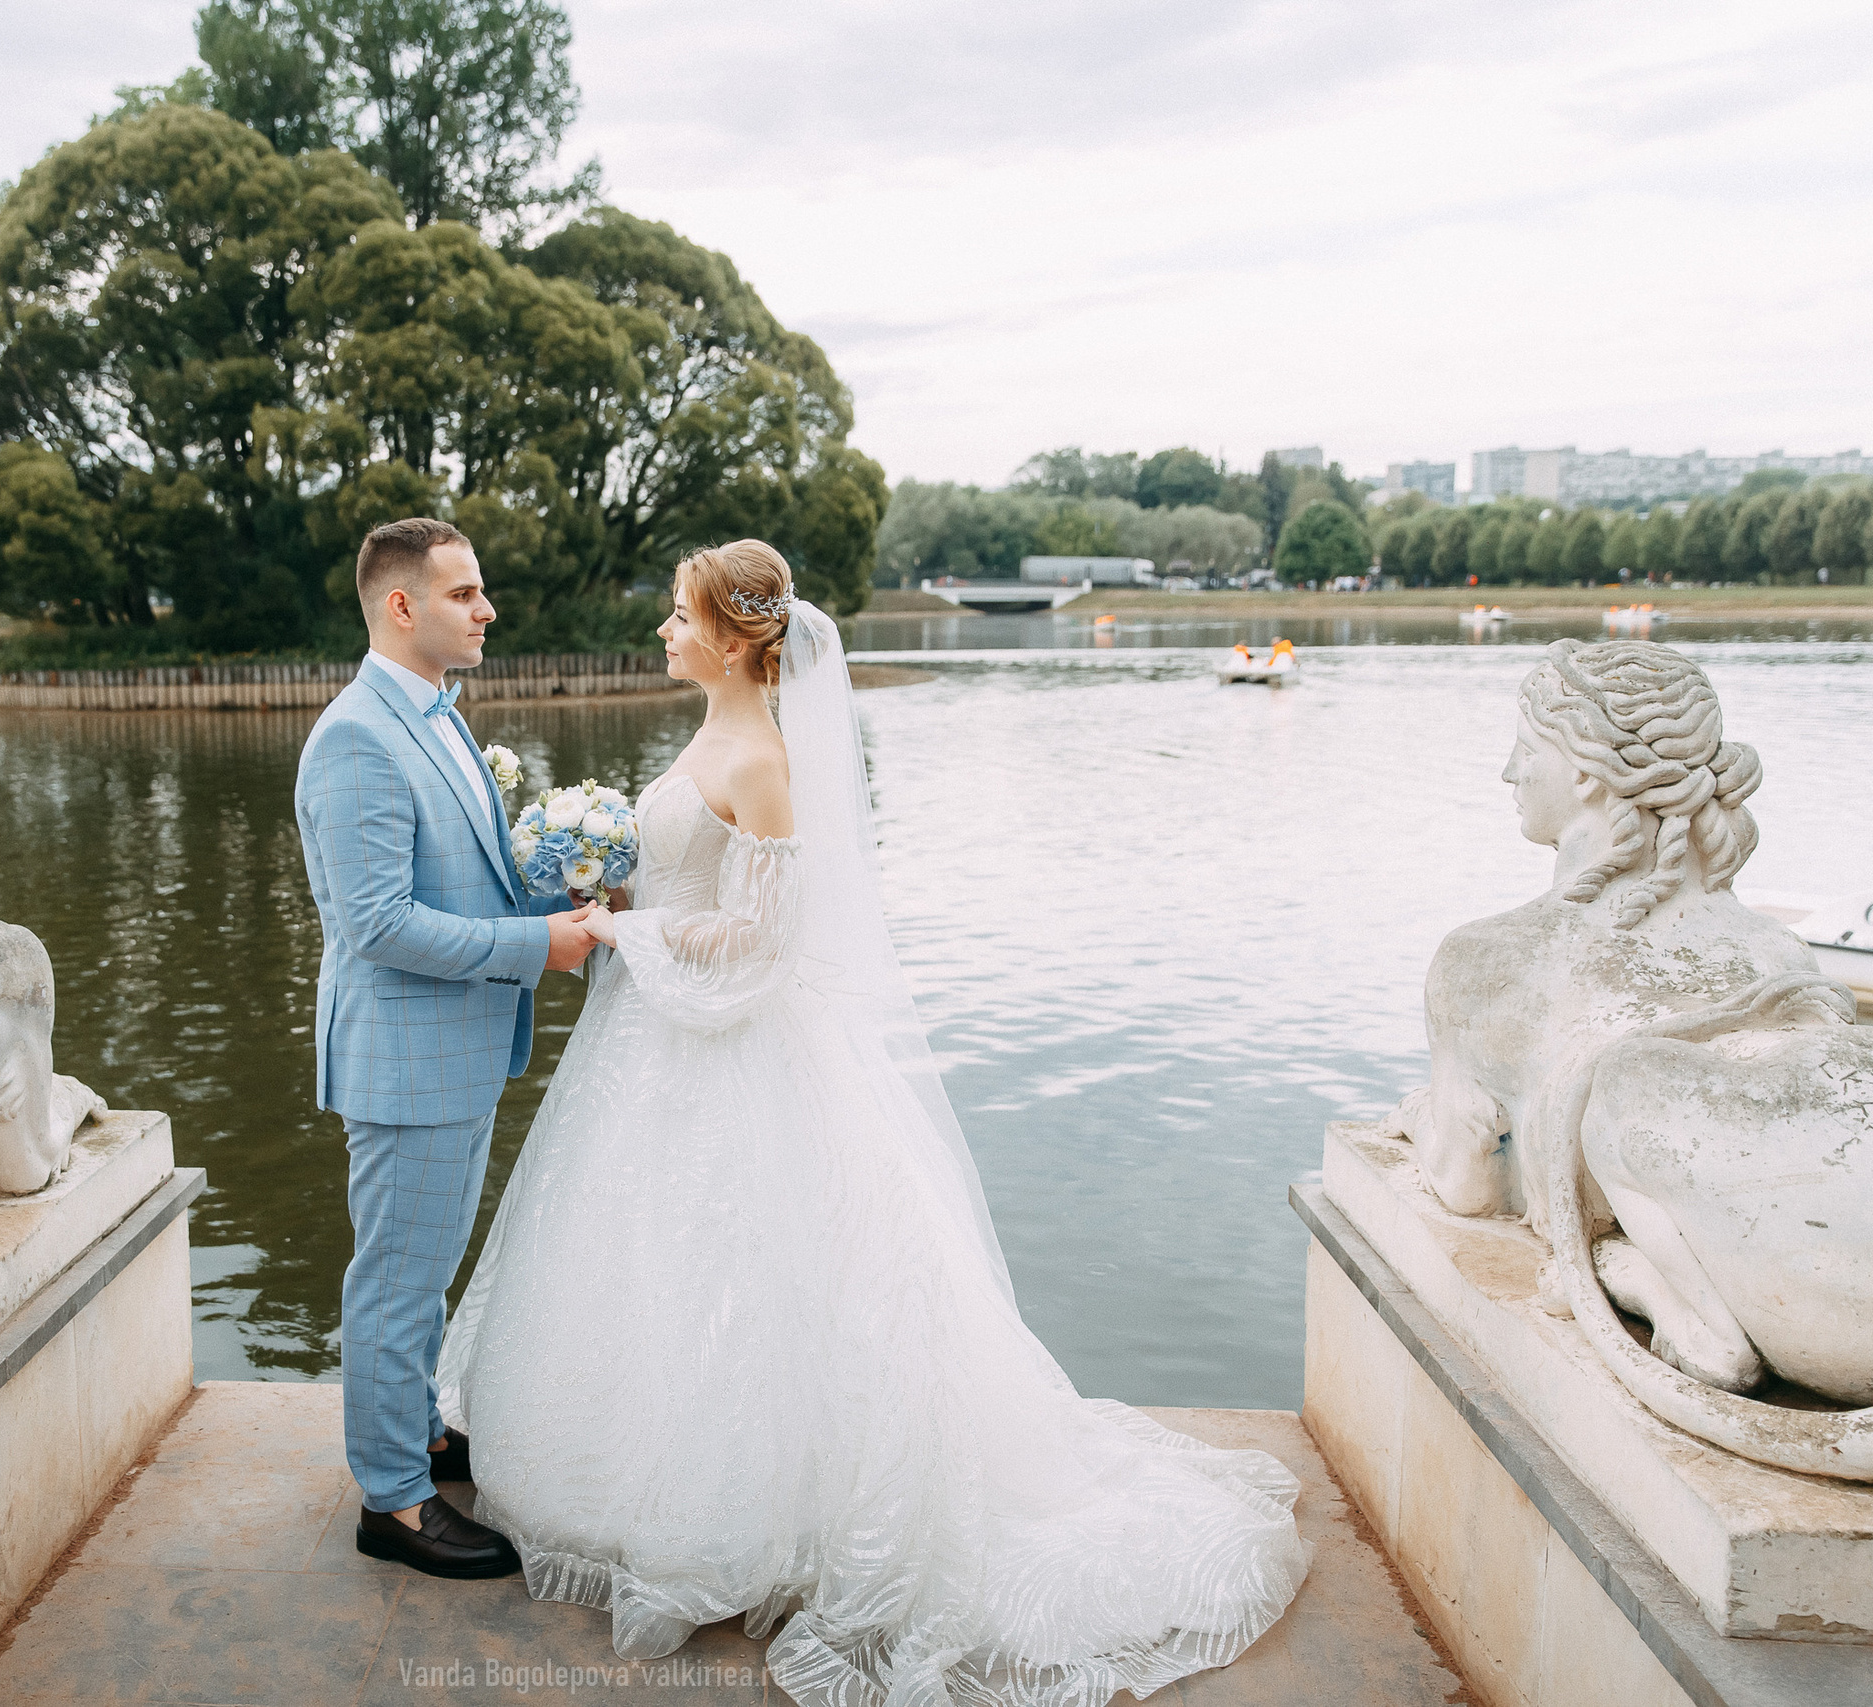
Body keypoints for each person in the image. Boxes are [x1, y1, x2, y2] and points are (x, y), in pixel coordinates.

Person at [437, 541, 1312, 1706]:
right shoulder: (710, 729)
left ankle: (749, 1508)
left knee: (767, 1268)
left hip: (727, 1044)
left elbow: (761, 939)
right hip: (650, 1044)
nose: (662, 629)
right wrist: (616, 891)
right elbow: (694, 889)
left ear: (738, 639)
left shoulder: (759, 756)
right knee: (658, 1262)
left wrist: (623, 936)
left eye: (678, 616)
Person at [292, 517, 600, 1579]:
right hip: (405, 1061)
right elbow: (374, 923)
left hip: (453, 1053)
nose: (487, 610)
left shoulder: (436, 716)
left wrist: (558, 894)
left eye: (481, 592)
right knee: (396, 1283)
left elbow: (453, 878)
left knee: (421, 1277)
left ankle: (417, 1430)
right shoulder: (356, 737)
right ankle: (395, 1502)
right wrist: (536, 947)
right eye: (465, 594)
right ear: (401, 606)